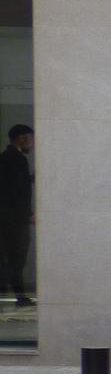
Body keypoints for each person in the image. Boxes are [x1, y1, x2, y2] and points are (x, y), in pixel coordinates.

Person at [0, 124, 33, 307]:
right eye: (30, 138)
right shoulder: (18, 160)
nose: (32, 143)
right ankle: (19, 295)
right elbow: (19, 192)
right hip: (15, 220)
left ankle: (20, 296)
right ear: (21, 138)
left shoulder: (4, 158)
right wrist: (28, 214)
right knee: (16, 258)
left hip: (6, 218)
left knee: (11, 257)